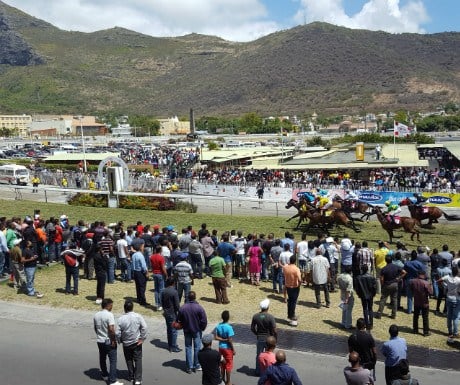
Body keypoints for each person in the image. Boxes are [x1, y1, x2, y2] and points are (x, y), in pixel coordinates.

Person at [117, 299, 148, 385]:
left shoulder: (121, 319)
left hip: (126, 343)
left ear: (124, 308)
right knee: (138, 360)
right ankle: (138, 379)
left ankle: (131, 376)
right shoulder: (138, 316)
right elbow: (144, 327)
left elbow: (117, 332)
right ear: (132, 307)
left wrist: (119, 340)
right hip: (136, 342)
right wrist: (142, 338)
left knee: (129, 359)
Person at [177, 291, 208, 374]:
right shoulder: (199, 308)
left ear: (187, 297)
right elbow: (204, 320)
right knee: (197, 348)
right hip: (197, 330)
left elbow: (178, 319)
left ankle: (189, 367)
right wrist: (202, 328)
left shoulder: (183, 308)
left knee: (188, 347)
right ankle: (196, 365)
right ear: (195, 297)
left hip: (187, 330)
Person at [93, 298, 122, 385]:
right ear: (108, 305)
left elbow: (95, 328)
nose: (112, 307)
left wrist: (99, 335)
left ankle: (104, 374)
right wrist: (113, 340)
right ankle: (112, 380)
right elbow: (111, 329)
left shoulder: (96, 315)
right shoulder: (109, 315)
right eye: (111, 305)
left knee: (102, 357)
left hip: (99, 340)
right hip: (108, 340)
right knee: (113, 360)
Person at [251, 299, 277, 376]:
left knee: (259, 355)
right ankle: (269, 371)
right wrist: (275, 338)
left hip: (260, 338)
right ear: (268, 307)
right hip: (269, 339)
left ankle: (258, 371)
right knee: (269, 355)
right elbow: (275, 330)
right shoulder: (270, 317)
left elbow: (252, 328)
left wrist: (257, 334)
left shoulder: (255, 316)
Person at [375, 255, 406, 320]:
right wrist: (399, 278)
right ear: (392, 260)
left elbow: (382, 279)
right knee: (394, 299)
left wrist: (382, 285)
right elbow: (404, 272)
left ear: (385, 260)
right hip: (395, 284)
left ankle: (379, 314)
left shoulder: (384, 268)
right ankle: (393, 314)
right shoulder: (396, 267)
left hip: (387, 284)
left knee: (383, 300)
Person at [438, 263, 460, 342]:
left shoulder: (447, 277)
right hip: (456, 299)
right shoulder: (458, 280)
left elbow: (439, 280)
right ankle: (456, 332)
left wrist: (443, 286)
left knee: (449, 316)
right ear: (457, 272)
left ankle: (450, 332)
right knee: (456, 317)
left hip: (448, 298)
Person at [161, 276, 181, 353]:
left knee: (169, 329)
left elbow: (162, 302)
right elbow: (177, 305)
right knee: (174, 330)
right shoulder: (174, 292)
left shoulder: (163, 291)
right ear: (173, 283)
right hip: (172, 313)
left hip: (166, 312)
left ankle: (170, 345)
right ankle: (173, 346)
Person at [214, 310, 235, 385]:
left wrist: (223, 339)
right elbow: (230, 340)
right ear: (228, 318)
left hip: (221, 347)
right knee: (228, 365)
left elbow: (216, 337)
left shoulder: (218, 326)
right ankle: (228, 382)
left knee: (222, 364)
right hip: (228, 348)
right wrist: (233, 349)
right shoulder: (229, 327)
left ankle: (222, 379)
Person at [410, 270, 433, 336]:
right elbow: (431, 293)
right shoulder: (426, 283)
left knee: (415, 316)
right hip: (424, 303)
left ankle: (415, 330)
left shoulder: (413, 281)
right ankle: (425, 332)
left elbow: (411, 289)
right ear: (424, 275)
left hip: (416, 302)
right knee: (425, 317)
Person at [355, 265, 377, 329]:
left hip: (363, 295)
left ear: (362, 270)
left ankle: (366, 324)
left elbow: (357, 288)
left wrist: (359, 294)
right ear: (367, 269)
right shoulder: (372, 277)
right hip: (370, 295)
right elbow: (374, 287)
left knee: (365, 309)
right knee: (370, 309)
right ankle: (371, 324)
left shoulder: (358, 277)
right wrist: (373, 294)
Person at [283, 254, 301, 326]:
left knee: (289, 301)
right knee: (293, 302)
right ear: (295, 261)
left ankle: (289, 314)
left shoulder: (285, 267)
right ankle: (292, 315)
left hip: (287, 286)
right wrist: (299, 284)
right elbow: (299, 279)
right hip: (294, 287)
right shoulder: (296, 269)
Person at [131, 242, 149, 306]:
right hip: (141, 272)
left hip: (135, 272)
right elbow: (143, 266)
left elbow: (132, 265)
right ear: (140, 247)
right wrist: (146, 273)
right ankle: (143, 301)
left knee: (138, 286)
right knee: (142, 287)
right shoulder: (140, 255)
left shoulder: (133, 255)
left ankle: (139, 298)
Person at [150, 245, 167, 311]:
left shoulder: (152, 257)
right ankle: (160, 304)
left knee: (156, 290)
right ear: (160, 250)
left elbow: (151, 266)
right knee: (161, 290)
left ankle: (157, 304)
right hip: (160, 274)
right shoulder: (161, 257)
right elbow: (163, 267)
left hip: (154, 273)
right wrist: (166, 274)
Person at [338, 265, 354, 329]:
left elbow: (339, 285)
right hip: (348, 296)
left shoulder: (340, 276)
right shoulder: (349, 278)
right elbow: (348, 290)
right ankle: (348, 325)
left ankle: (343, 322)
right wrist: (347, 299)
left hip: (342, 293)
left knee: (344, 309)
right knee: (349, 310)